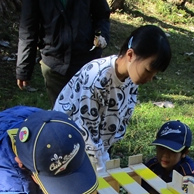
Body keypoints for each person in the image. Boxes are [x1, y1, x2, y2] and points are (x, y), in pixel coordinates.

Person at [53, 25, 172, 173]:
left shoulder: (131, 80)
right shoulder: (96, 78)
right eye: (148, 71)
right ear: (130, 55)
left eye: (154, 75)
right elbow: (86, 131)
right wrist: (101, 168)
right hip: (66, 146)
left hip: (96, 148)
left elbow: (121, 119)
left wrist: (104, 157)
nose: (150, 78)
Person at [16, 0, 111, 103]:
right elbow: (28, 29)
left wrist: (101, 35)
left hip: (87, 62)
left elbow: (101, 15)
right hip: (54, 64)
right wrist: (24, 69)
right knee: (61, 119)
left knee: (87, 113)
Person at [146, 120, 194, 194]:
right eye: (161, 148)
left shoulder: (187, 172)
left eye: (172, 151)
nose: (165, 155)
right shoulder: (152, 165)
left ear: (184, 153)